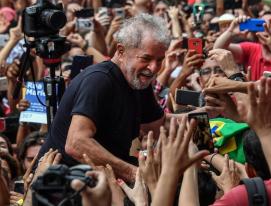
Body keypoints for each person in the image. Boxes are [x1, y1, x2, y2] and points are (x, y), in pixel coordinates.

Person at [37, 13, 171, 182]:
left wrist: (204, 119)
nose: (153, 68)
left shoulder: (138, 80)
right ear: (121, 51)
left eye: (160, 60)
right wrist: (133, 174)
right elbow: (76, 143)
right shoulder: (99, 80)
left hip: (99, 179)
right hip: (64, 186)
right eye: (146, 58)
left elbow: (159, 126)